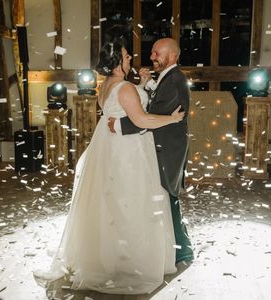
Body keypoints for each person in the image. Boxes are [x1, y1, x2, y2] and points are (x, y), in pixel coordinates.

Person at [33, 40, 183, 294]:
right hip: (128, 152)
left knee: (111, 201)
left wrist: (143, 85)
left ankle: (109, 255)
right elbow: (141, 118)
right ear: (116, 62)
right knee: (130, 201)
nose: (129, 59)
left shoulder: (106, 86)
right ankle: (128, 260)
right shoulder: (124, 87)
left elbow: (124, 103)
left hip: (112, 148)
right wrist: (172, 118)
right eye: (125, 56)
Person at [108, 38, 194, 264]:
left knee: (169, 195)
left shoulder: (175, 80)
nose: (152, 57)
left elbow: (151, 116)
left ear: (172, 57)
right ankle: (171, 246)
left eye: (157, 53)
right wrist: (147, 85)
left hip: (168, 148)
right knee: (164, 197)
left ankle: (182, 250)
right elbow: (158, 104)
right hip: (160, 144)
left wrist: (119, 125)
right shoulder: (169, 78)